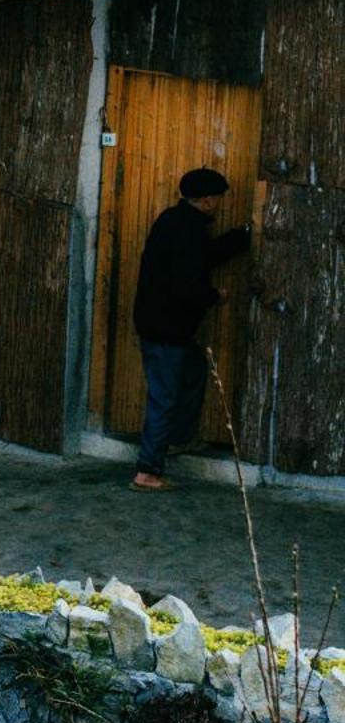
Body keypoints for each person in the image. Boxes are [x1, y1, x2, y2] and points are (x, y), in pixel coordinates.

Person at [129, 168, 251, 492]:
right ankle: (147, 472)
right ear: (208, 200)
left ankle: (177, 439)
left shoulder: (174, 221)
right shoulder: (189, 231)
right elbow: (188, 283)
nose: (221, 203)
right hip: (167, 328)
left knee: (193, 371)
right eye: (219, 198)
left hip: (159, 324)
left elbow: (201, 259)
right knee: (164, 396)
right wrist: (215, 296)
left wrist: (241, 237)